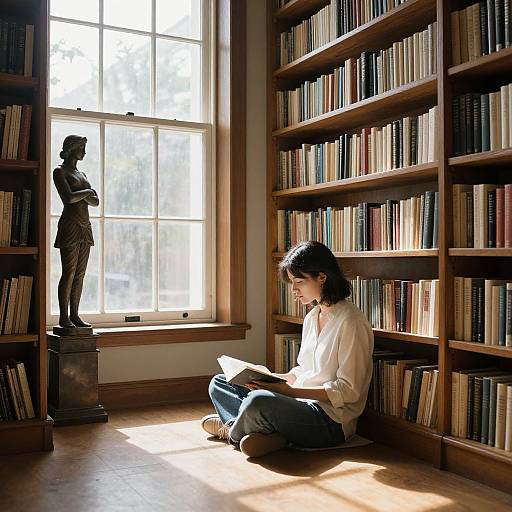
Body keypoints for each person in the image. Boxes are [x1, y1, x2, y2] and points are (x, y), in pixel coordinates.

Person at [201, 240, 374, 458]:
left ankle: (232, 431)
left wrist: (288, 392)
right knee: (220, 382)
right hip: (296, 403)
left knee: (259, 401)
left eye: (299, 281)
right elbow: (304, 371)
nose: (293, 290)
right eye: (292, 282)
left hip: (329, 420)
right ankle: (270, 434)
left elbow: (349, 391)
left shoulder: (352, 322)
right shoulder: (313, 316)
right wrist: (270, 378)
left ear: (322, 277)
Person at [53, 135, 99, 329]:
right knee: (69, 272)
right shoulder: (59, 172)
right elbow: (68, 199)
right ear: (72, 149)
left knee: (80, 274)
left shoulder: (82, 174)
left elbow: (96, 202)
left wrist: (88, 195)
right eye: (82, 148)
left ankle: (75, 315)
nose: (84, 152)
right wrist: (88, 193)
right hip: (70, 225)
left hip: (85, 225)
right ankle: (64, 317)